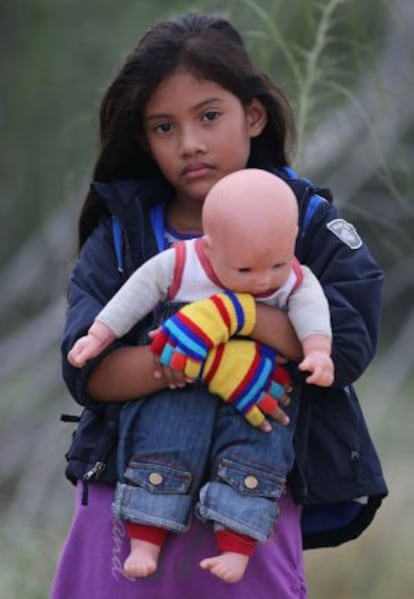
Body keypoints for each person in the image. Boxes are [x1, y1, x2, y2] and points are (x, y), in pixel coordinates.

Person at [51, 12, 387, 599]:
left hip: (248, 511)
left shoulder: (306, 226)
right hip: (125, 509)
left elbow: (348, 345)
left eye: (209, 116)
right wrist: (207, 360)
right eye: (163, 127)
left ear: (252, 115)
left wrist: (240, 317)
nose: (190, 144)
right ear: (144, 142)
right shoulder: (124, 237)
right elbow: (88, 370)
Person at [67, 168, 334, 581]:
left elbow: (312, 309)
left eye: (277, 264)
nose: (263, 281)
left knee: (257, 457)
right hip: (178, 387)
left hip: (256, 393)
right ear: (209, 247)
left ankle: (238, 547)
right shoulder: (181, 263)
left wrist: (318, 351)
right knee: (161, 446)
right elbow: (135, 295)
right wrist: (99, 335)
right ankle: (145, 538)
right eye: (245, 272)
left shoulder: (292, 275)